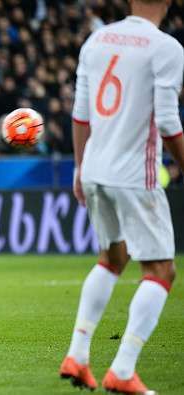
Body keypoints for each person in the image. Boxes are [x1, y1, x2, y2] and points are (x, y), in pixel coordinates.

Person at [59, 1, 184, 393]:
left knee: (112, 258)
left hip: (94, 167)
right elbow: (166, 120)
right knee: (161, 270)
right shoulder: (165, 47)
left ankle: (77, 356)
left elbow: (80, 115)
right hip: (134, 174)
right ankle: (124, 369)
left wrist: (80, 169)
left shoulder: (97, 40)